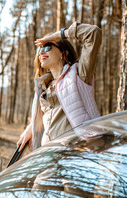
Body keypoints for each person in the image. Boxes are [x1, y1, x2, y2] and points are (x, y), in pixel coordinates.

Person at [17, 22, 102, 151]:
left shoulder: (79, 74)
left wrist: (59, 35)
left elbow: (93, 33)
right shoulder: (43, 86)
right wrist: (32, 126)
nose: (41, 53)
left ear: (64, 53)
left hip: (76, 154)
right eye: (40, 49)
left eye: (48, 46)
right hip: (49, 158)